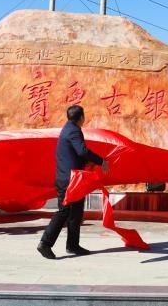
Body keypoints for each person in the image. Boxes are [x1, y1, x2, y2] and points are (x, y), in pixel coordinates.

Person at [37, 105, 108, 259]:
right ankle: (45, 243)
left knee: (76, 212)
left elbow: (77, 154)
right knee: (65, 211)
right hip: (69, 181)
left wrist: (86, 163)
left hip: (74, 178)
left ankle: (73, 245)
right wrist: (100, 161)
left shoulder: (69, 128)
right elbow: (82, 151)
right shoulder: (74, 130)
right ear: (81, 117)